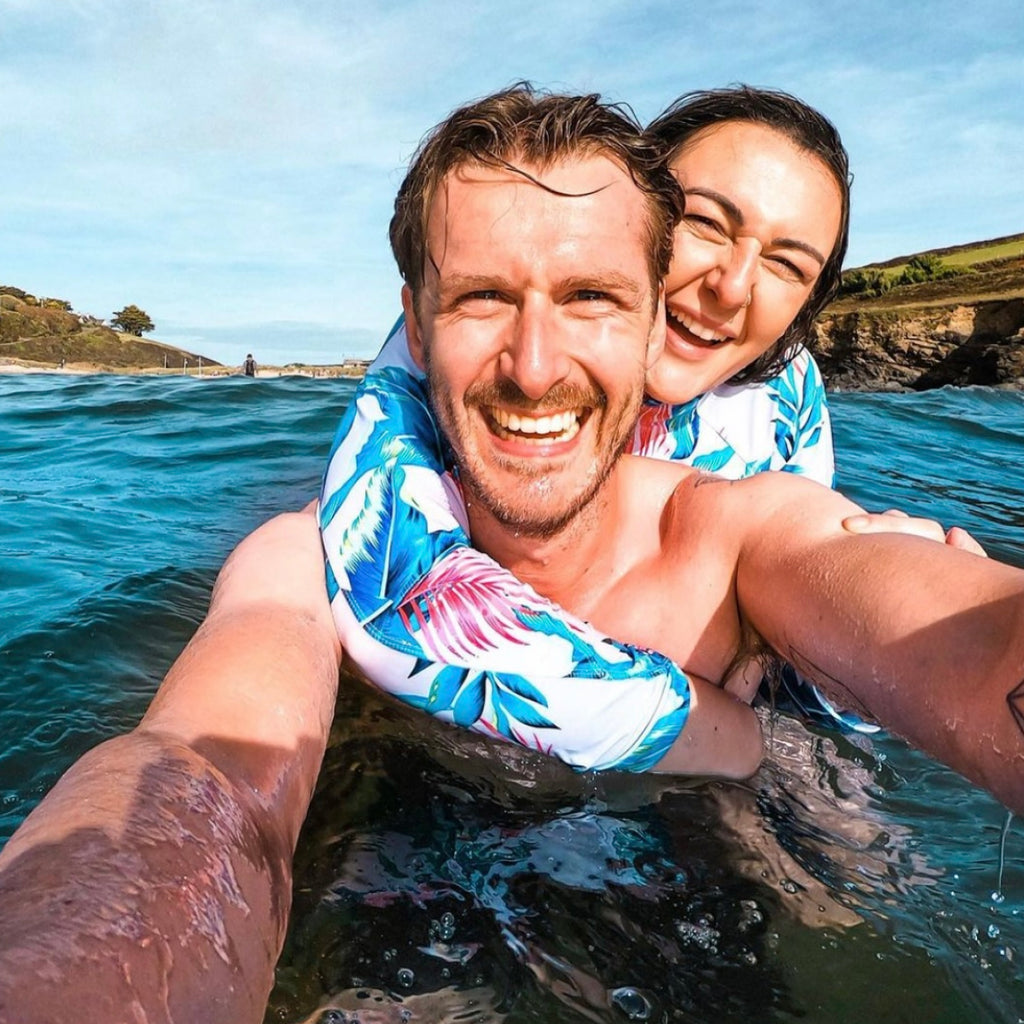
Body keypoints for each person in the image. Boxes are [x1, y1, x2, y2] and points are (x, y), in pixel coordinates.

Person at [3, 85, 1023, 1021]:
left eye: (589, 298)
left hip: (685, 899)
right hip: (403, 887)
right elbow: (199, 772)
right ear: (417, 317)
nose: (536, 368)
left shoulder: (743, 523)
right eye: (486, 296)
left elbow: (941, 631)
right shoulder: (324, 554)